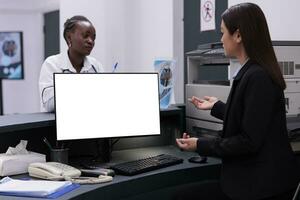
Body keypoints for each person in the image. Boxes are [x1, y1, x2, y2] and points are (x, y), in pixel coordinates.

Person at [176, 3, 300, 200]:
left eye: (223, 32)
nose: (221, 39)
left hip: (259, 188)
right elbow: (251, 118)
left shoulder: (258, 76)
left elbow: (247, 142)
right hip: (259, 182)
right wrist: (216, 106)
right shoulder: (254, 71)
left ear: (239, 35)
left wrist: (199, 144)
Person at [39, 15, 104, 112]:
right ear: (69, 38)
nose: (91, 41)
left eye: (93, 37)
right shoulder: (51, 64)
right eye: (86, 36)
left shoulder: (95, 65)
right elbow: (50, 104)